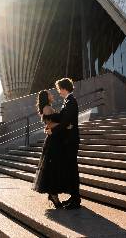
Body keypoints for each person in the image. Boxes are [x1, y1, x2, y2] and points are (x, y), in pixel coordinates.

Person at [43, 77, 81, 209]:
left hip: (71, 140)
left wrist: (53, 131)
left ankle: (76, 200)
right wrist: (47, 115)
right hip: (67, 140)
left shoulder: (71, 101)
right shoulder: (67, 101)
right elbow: (62, 117)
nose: (59, 92)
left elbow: (65, 122)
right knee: (70, 169)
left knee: (73, 169)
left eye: (59, 89)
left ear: (64, 88)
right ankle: (73, 197)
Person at [32, 89, 64, 208]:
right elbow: (49, 124)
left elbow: (49, 125)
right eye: (50, 94)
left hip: (54, 139)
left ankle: (53, 194)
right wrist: (63, 124)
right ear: (46, 97)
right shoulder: (47, 108)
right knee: (53, 169)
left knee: (55, 168)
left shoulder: (48, 107)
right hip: (53, 141)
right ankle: (53, 195)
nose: (52, 95)